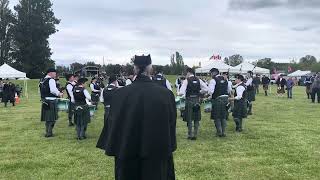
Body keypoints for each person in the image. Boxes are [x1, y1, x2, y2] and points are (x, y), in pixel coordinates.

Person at [97, 55, 177, 180]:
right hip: (156, 151)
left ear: (134, 69)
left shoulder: (119, 94)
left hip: (127, 149)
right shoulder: (166, 94)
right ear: (150, 69)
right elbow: (171, 124)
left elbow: (112, 123)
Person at [179, 68, 208, 140]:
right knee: (196, 118)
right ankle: (195, 134)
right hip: (197, 100)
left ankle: (190, 135)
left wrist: (178, 93)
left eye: (186, 73)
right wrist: (199, 92)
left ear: (188, 73)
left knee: (189, 118)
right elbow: (206, 89)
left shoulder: (186, 80)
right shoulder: (199, 80)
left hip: (189, 100)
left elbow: (181, 92)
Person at [39, 68, 63, 137]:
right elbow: (53, 90)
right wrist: (59, 94)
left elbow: (39, 91)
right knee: (52, 118)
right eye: (54, 73)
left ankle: (48, 132)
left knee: (47, 118)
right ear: (50, 73)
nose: (55, 74)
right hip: (51, 100)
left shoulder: (42, 80)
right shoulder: (51, 80)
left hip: (44, 100)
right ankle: (49, 133)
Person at [208, 68, 230, 137]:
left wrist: (208, 95)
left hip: (217, 99)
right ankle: (223, 132)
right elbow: (229, 90)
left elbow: (211, 91)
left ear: (213, 73)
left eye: (211, 73)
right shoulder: (225, 79)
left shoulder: (213, 80)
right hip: (225, 99)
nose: (211, 75)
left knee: (217, 116)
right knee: (223, 116)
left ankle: (219, 132)